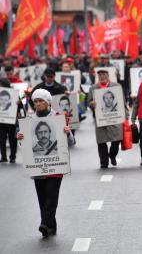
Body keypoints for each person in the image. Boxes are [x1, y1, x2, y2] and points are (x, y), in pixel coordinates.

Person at [17, 89, 74, 237]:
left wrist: (67, 133)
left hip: (55, 168)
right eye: (36, 101)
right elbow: (25, 148)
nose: (38, 104)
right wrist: (21, 138)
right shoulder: (29, 120)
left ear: (47, 102)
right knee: (42, 199)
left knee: (51, 197)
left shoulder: (58, 118)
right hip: (38, 169)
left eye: (41, 101)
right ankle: (51, 226)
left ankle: (44, 224)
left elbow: (71, 142)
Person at [88, 68, 126, 169]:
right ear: (98, 76)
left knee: (117, 139)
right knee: (101, 141)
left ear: (108, 75)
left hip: (115, 118)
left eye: (104, 74)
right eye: (100, 75)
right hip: (101, 119)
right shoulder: (93, 88)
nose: (102, 76)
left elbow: (123, 101)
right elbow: (89, 102)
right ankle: (104, 162)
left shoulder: (117, 86)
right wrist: (91, 104)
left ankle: (112, 155)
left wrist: (126, 116)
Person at [0, 78, 19, 163]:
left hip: (12, 121)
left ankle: (13, 156)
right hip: (1, 121)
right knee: (1, 139)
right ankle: (3, 157)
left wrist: (19, 103)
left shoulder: (14, 93)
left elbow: (20, 107)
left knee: (13, 139)